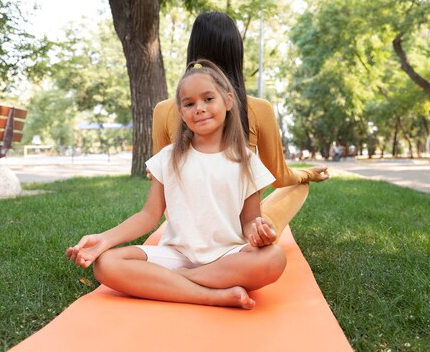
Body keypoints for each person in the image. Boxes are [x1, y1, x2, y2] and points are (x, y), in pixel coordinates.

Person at [66, 60, 286, 309]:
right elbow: (149, 216)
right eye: (189, 104)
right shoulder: (169, 157)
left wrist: (259, 234)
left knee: (274, 258)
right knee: (106, 264)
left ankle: (179, 281)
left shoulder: (246, 160)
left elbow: (249, 221)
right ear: (181, 112)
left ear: (228, 101)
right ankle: (214, 296)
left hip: (227, 257)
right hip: (176, 255)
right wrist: (104, 240)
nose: (199, 108)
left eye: (208, 99)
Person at [153, 11, 329, 238]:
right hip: (243, 231)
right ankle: (259, 233)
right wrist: (308, 174)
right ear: (237, 54)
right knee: (298, 186)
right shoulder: (257, 109)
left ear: (193, 51)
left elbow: (162, 184)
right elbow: (280, 178)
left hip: (186, 230)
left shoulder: (164, 110)